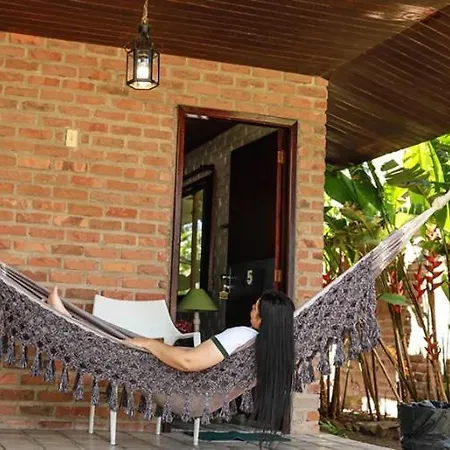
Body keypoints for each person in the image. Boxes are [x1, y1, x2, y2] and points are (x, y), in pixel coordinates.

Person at [47, 287, 295, 432]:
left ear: (263, 318)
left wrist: (149, 344)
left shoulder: (242, 335)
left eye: (254, 308)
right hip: (201, 397)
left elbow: (189, 362)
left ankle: (63, 320)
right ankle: (66, 320)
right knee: (117, 348)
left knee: (117, 351)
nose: (250, 310)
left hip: (182, 390)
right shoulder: (275, 351)